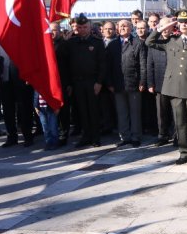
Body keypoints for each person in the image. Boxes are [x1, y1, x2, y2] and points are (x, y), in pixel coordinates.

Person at [146, 10, 187, 165]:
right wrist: (166, 26)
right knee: (179, 122)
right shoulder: (171, 41)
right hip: (174, 88)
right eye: (180, 22)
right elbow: (149, 42)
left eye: (186, 22)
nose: (183, 25)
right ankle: (184, 152)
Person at [63, 14, 106, 148]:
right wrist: (69, 84)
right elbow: (67, 65)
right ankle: (85, 136)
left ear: (89, 27)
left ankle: (95, 137)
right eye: (79, 27)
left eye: (84, 27)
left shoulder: (97, 42)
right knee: (81, 111)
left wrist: (99, 82)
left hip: (92, 82)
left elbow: (102, 64)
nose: (82, 29)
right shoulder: (71, 42)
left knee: (93, 110)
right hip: (77, 82)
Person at [107, 19, 146, 148]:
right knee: (122, 112)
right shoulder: (112, 45)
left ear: (131, 28)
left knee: (135, 112)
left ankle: (136, 137)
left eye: (125, 26)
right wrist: (110, 83)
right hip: (118, 84)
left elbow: (142, 65)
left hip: (134, 83)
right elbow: (109, 66)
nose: (122, 28)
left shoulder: (137, 43)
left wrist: (142, 81)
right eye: (120, 26)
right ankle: (125, 137)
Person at [147, 17, 175, 146]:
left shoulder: (175, 40)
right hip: (159, 83)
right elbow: (149, 64)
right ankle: (162, 135)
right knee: (161, 112)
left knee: (176, 112)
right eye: (162, 26)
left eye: (167, 26)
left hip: (174, 82)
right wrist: (150, 83)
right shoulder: (155, 42)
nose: (165, 29)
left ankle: (177, 136)